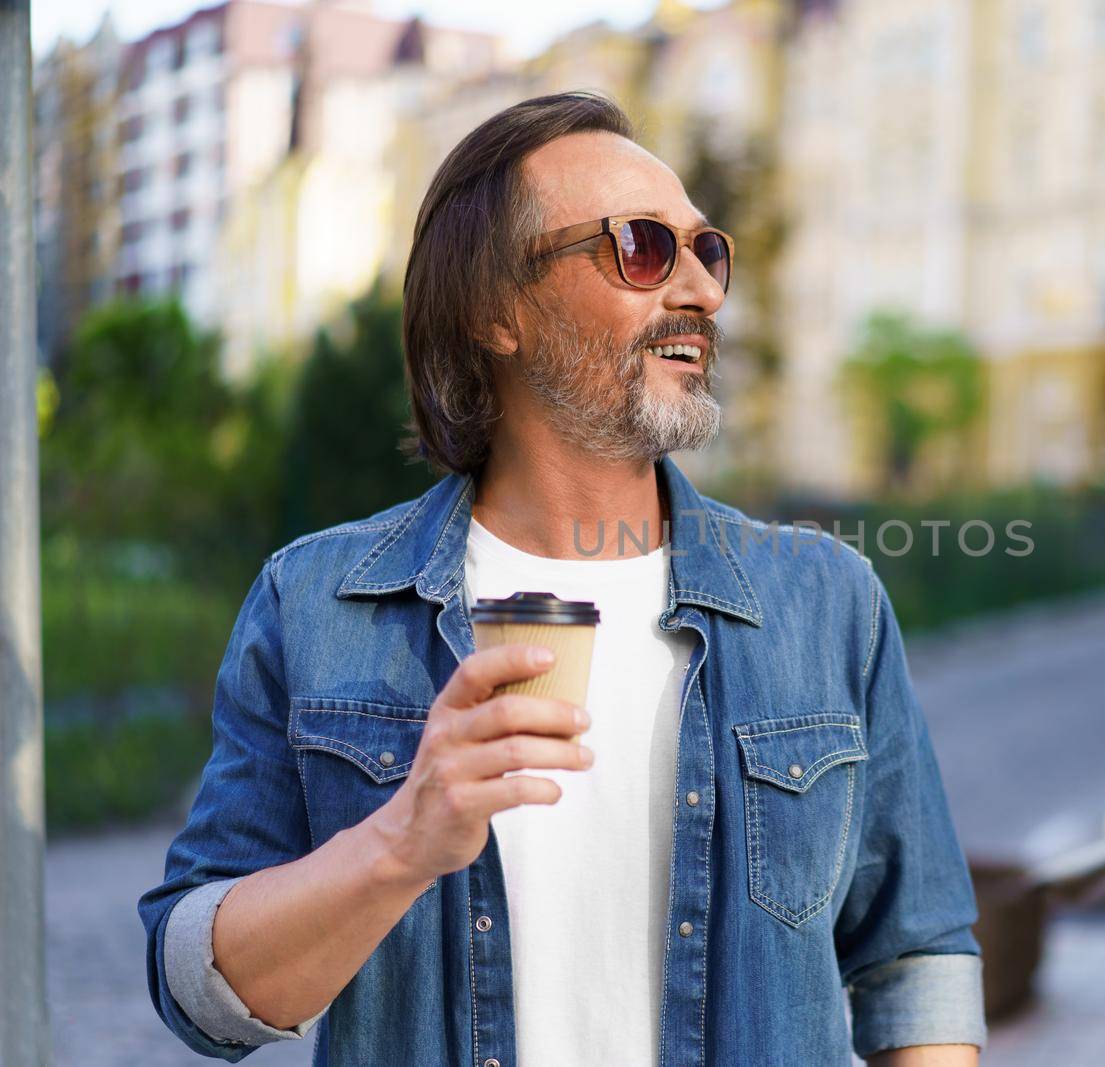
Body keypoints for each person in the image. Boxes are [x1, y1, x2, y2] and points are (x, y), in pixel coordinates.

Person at [137, 92, 984, 1066]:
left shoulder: (825, 601)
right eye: (641, 247)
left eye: (707, 250)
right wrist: (399, 842)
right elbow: (197, 990)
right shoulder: (318, 604)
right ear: (497, 310)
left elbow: (912, 958)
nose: (703, 292)